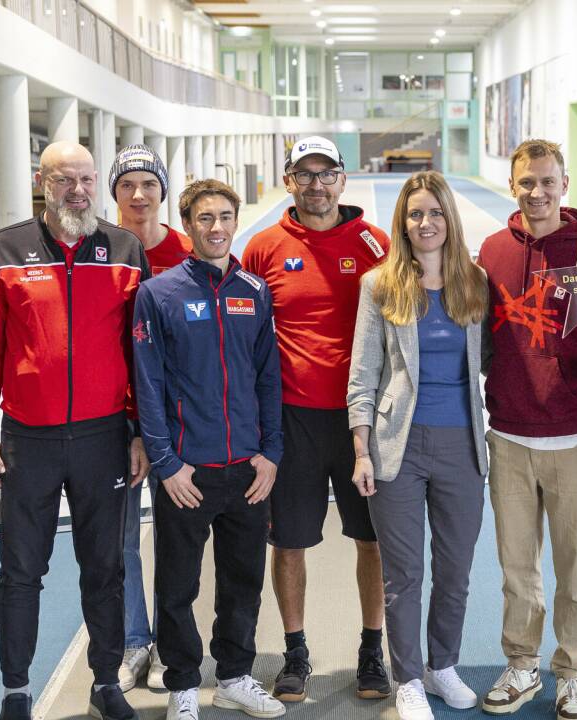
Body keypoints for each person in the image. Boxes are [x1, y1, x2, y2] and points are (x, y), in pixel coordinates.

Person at [0, 141, 150, 720]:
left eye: (87, 179)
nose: (78, 190)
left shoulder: (125, 251)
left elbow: (140, 353)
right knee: (20, 571)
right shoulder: (5, 250)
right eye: (65, 179)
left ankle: (105, 682)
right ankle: (16, 690)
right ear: (42, 182)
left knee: (105, 568)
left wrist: (142, 432)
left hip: (105, 441)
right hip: (30, 441)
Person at [241, 136, 391, 702]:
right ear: (288, 182)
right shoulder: (263, 248)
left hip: (362, 422)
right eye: (304, 175)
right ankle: (295, 652)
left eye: (326, 173)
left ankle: (372, 651)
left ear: (343, 180)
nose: (316, 184)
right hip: (292, 420)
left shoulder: (376, 244)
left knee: (371, 539)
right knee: (291, 543)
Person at [133, 179, 286, 720]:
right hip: (187, 472)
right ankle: (181, 684)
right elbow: (146, 384)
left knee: (242, 581)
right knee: (177, 583)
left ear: (235, 220)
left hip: (247, 468)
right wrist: (167, 463)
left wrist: (271, 451)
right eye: (205, 219)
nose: (216, 227)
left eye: (225, 217)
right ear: (189, 224)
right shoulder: (159, 294)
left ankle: (235, 676)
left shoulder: (254, 290)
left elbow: (269, 378)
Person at [477, 138, 577, 720]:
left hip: (575, 438)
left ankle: (574, 670)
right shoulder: (490, 251)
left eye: (547, 181)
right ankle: (522, 663)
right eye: (526, 182)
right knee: (517, 569)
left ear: (564, 184)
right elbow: (479, 336)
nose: (537, 192)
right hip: (508, 434)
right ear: (514, 185)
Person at [346, 171, 489, 720]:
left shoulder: (474, 283)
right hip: (394, 447)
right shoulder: (379, 285)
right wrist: (362, 450)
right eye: (414, 214)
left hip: (462, 445)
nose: (425, 223)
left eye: (434, 212)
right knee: (404, 574)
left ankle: (441, 666)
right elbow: (363, 376)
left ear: (448, 218)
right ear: (402, 224)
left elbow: (492, 361)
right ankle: (406, 677)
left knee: (454, 568)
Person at [110, 143, 191, 692]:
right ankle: (134, 640)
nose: (139, 195)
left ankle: (169, 644)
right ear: (114, 193)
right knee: (118, 540)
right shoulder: (102, 251)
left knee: (174, 538)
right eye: (127, 185)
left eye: (149, 184)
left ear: (163, 191)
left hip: (176, 422)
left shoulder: (188, 252)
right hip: (113, 419)